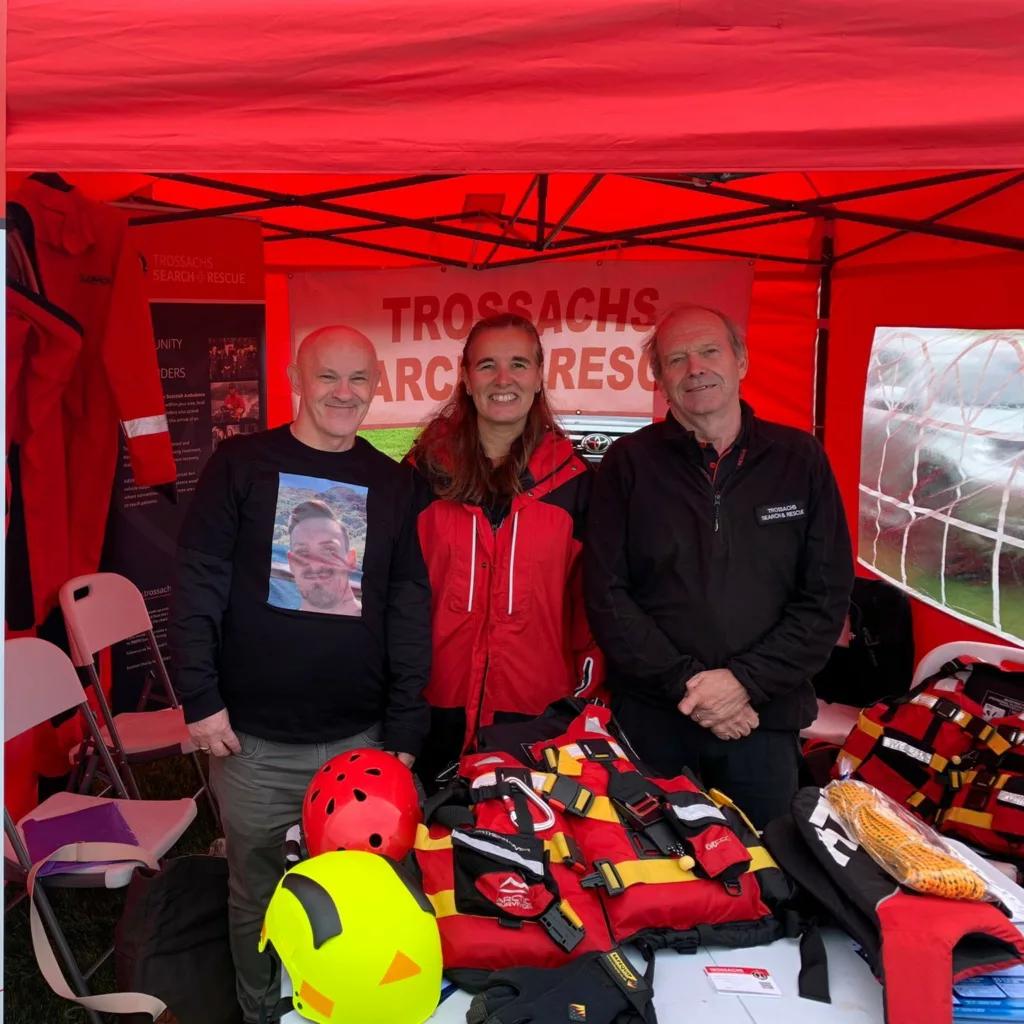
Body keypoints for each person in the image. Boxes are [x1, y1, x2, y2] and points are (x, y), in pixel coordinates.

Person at [169, 325, 431, 1022]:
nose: (344, 393)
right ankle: (261, 1012)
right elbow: (196, 584)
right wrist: (200, 697)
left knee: (367, 890)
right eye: (327, 377)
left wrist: (407, 724)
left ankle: (357, 1009)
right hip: (253, 742)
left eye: (358, 379)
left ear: (376, 386)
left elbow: (408, 605)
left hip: (361, 740)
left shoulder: (394, 483)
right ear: (294, 379)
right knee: (257, 892)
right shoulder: (241, 464)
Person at [583, 304, 853, 829]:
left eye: (709, 351)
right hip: (655, 721)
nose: (695, 369)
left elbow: (825, 596)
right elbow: (607, 594)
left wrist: (743, 683)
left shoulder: (800, 459)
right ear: (658, 378)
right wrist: (690, 687)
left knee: (766, 867)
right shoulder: (627, 464)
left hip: (762, 722)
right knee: (649, 867)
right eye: (676, 359)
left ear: (741, 361)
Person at [407, 312, 603, 789]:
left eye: (518, 364)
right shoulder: (421, 477)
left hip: (536, 715)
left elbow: (594, 609)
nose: (503, 379)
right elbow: (395, 596)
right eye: (487, 365)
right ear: (466, 378)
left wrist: (584, 703)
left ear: (539, 376)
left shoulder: (576, 485)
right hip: (431, 711)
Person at [286, 499, 362, 616]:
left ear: (351, 561)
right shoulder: (277, 625)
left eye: (329, 550)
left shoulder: (380, 622)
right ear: (291, 564)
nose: (315, 566)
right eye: (302, 552)